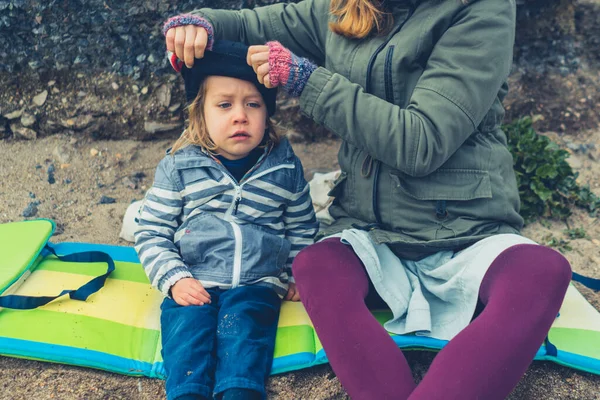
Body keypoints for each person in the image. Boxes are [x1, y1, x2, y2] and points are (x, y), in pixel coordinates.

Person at [162, 1, 572, 398]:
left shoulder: (482, 9)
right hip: (372, 234)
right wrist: (200, 25)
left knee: (542, 272)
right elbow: (255, 24)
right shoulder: (343, 6)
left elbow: (421, 142)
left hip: (468, 233)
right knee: (315, 266)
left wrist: (308, 81)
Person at [134, 40, 319, 400]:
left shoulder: (284, 168)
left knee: (245, 339)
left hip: (258, 281)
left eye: (253, 104)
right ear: (199, 113)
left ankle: (239, 392)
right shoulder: (179, 167)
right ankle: (188, 392)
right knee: (187, 339)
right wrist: (174, 279)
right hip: (194, 281)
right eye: (224, 105)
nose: (240, 115)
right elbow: (152, 231)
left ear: (267, 113)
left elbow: (302, 226)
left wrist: (298, 273)